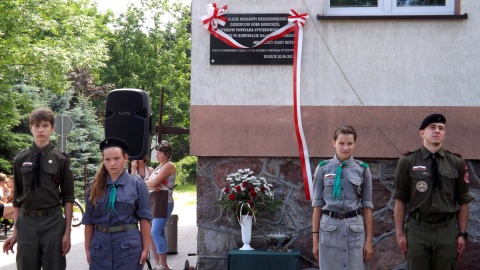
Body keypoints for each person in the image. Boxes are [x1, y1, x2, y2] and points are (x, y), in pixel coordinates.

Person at [393, 113, 473, 269]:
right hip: (417, 229)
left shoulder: (456, 162)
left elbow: (463, 201)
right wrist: (400, 234)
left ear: (444, 134)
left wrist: (462, 234)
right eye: (432, 127)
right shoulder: (407, 161)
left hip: (446, 230)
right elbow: (400, 199)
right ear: (422, 133)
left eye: (441, 128)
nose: (437, 130)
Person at [2, 107, 75, 270]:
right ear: (31, 128)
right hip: (26, 222)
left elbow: (68, 198)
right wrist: (15, 233)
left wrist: (67, 232)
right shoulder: (20, 159)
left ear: (52, 128)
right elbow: (17, 200)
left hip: (53, 222)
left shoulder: (61, 159)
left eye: (45, 125)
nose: (40, 130)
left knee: (54, 266)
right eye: (36, 126)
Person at [82, 137, 152, 270]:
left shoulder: (137, 185)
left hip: (128, 247)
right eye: (107, 159)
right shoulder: (94, 186)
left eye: (116, 158)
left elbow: (145, 219)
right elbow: (89, 220)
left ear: (125, 158)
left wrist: (145, 249)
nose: (112, 163)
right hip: (100, 246)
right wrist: (87, 248)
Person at [311, 125, 374, 270]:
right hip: (329, 229)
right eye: (341, 143)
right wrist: (315, 241)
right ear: (334, 142)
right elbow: (317, 205)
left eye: (350, 143)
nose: (346, 147)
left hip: (355, 229)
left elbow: (367, 205)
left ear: (354, 143)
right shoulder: (323, 168)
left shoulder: (363, 169)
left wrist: (369, 241)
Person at [144, 140, 176, 270]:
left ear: (166, 154)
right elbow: (150, 183)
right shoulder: (159, 166)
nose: (156, 155)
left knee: (155, 232)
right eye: (156, 153)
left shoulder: (169, 166)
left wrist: (149, 182)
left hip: (164, 201)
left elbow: (154, 182)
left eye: (159, 153)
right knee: (155, 233)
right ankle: (158, 264)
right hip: (155, 200)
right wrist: (150, 183)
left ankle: (164, 264)